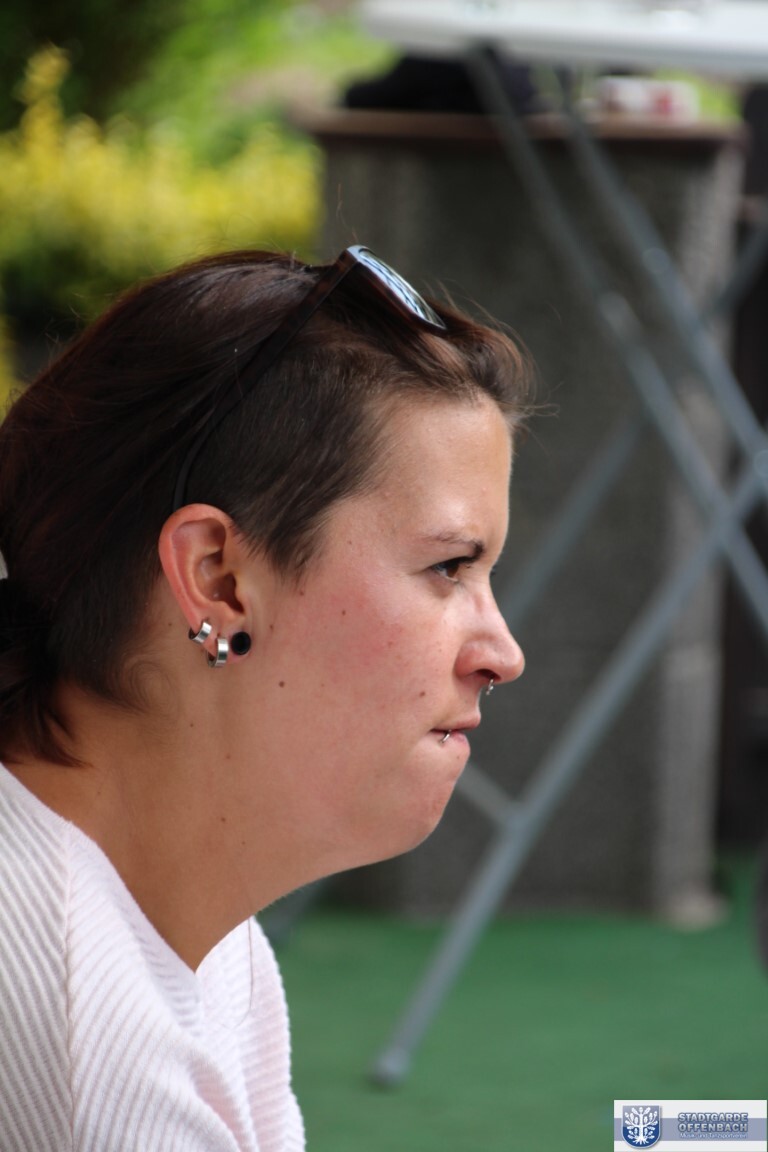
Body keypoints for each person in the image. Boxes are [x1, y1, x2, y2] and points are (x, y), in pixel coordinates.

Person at [0, 245, 529, 1151]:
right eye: (448, 567)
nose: (502, 655)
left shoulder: (175, 921)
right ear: (217, 579)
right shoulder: (85, 1043)